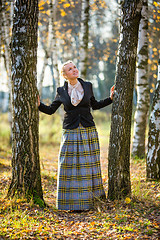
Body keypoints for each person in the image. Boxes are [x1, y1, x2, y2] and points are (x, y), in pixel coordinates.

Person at [38, 60, 114, 212]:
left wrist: (110, 99)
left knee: (89, 165)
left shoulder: (88, 86)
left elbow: (95, 105)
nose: (74, 70)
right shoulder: (61, 91)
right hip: (70, 130)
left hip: (88, 129)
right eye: (69, 69)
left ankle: (91, 202)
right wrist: (38, 104)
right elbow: (51, 110)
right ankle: (70, 204)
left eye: (74, 67)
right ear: (65, 75)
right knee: (68, 165)